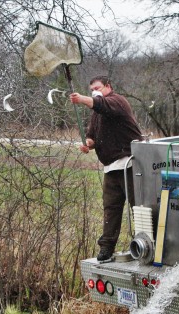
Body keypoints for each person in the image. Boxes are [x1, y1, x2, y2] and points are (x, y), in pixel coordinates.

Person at [70, 76, 143, 261]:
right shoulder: (97, 114)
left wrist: (82, 100)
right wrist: (87, 144)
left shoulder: (117, 101)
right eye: (92, 89)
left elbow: (100, 104)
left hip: (130, 164)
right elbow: (92, 137)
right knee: (110, 209)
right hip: (110, 168)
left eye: (98, 88)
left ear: (108, 87)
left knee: (139, 208)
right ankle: (106, 248)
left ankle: (147, 244)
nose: (94, 91)